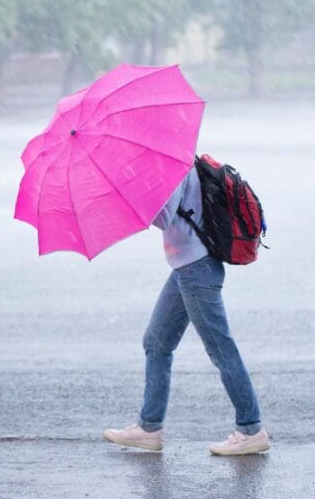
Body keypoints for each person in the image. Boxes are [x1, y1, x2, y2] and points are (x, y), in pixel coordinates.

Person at [103, 165, 270, 456]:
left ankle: (251, 429)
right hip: (186, 268)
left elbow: (165, 215)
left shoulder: (174, 167)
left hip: (197, 269)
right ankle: (149, 428)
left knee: (221, 349)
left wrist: (132, 195)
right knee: (156, 342)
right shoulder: (172, 162)